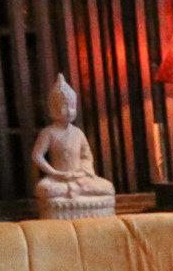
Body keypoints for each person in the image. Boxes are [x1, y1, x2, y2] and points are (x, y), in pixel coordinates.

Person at [32, 75, 115, 203]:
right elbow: (37, 156)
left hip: (79, 177)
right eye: (65, 106)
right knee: (46, 189)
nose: (69, 110)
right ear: (54, 108)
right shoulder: (49, 132)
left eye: (72, 106)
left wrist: (82, 171)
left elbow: (86, 156)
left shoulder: (78, 133)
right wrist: (54, 172)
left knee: (107, 188)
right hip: (58, 179)